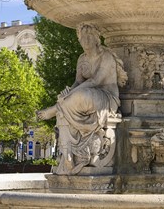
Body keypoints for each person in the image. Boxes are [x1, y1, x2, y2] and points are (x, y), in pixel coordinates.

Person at [37, 24, 127, 175]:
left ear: (96, 39)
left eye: (88, 36)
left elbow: (95, 81)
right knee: (66, 104)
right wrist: (68, 91)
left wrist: (70, 94)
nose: (85, 41)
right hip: (87, 95)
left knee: (75, 98)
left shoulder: (106, 56)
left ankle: (53, 109)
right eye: (82, 37)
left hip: (106, 97)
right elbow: (78, 82)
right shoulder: (81, 59)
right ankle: (68, 156)